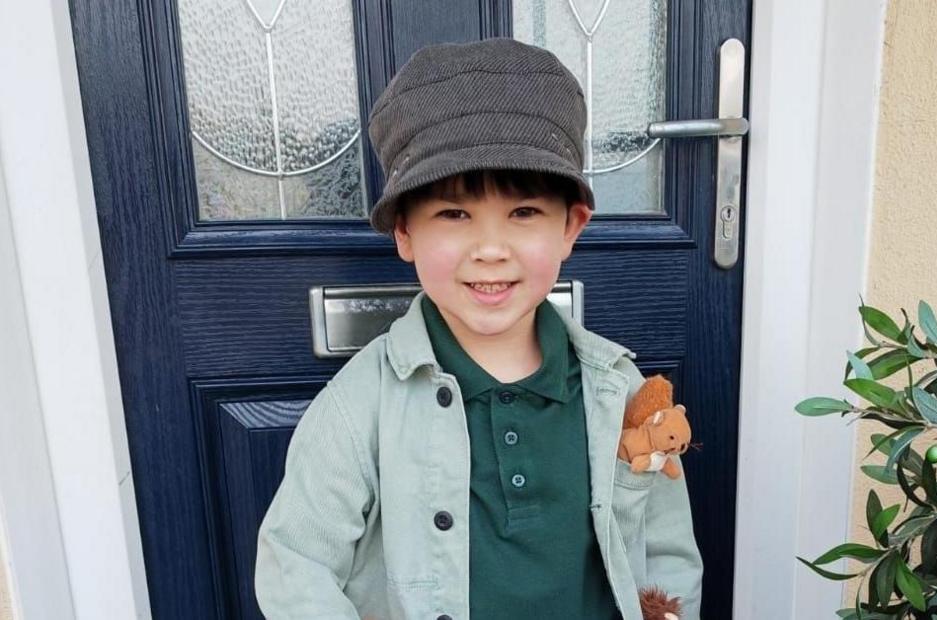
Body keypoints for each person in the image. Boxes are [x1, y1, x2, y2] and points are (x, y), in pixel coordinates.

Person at [254, 37, 702, 620]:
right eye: (454, 215)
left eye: (523, 213)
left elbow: (667, 551)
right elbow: (297, 568)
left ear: (572, 226)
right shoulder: (359, 404)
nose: (490, 249)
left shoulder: (618, 389)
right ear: (405, 234)